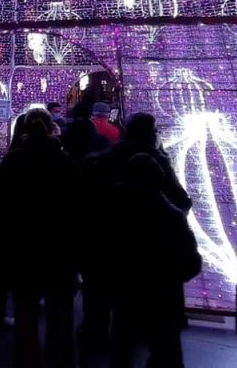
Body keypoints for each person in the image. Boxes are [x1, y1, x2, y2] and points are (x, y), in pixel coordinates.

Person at [80, 113, 191, 349]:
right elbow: (180, 200)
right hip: (148, 249)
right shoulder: (157, 161)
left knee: (105, 303)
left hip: (107, 244)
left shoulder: (103, 159)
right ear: (152, 134)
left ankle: (97, 335)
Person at [1, 111, 80, 368]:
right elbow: (75, 207)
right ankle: (59, 361)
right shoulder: (65, 161)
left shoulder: (12, 161)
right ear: (51, 129)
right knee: (60, 316)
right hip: (58, 250)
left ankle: (26, 361)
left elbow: (4, 205)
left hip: (23, 248)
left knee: (25, 316)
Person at [107, 154, 202, 368]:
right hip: (163, 297)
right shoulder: (173, 216)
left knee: (121, 350)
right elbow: (191, 264)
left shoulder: (112, 208)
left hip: (124, 292)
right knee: (165, 353)